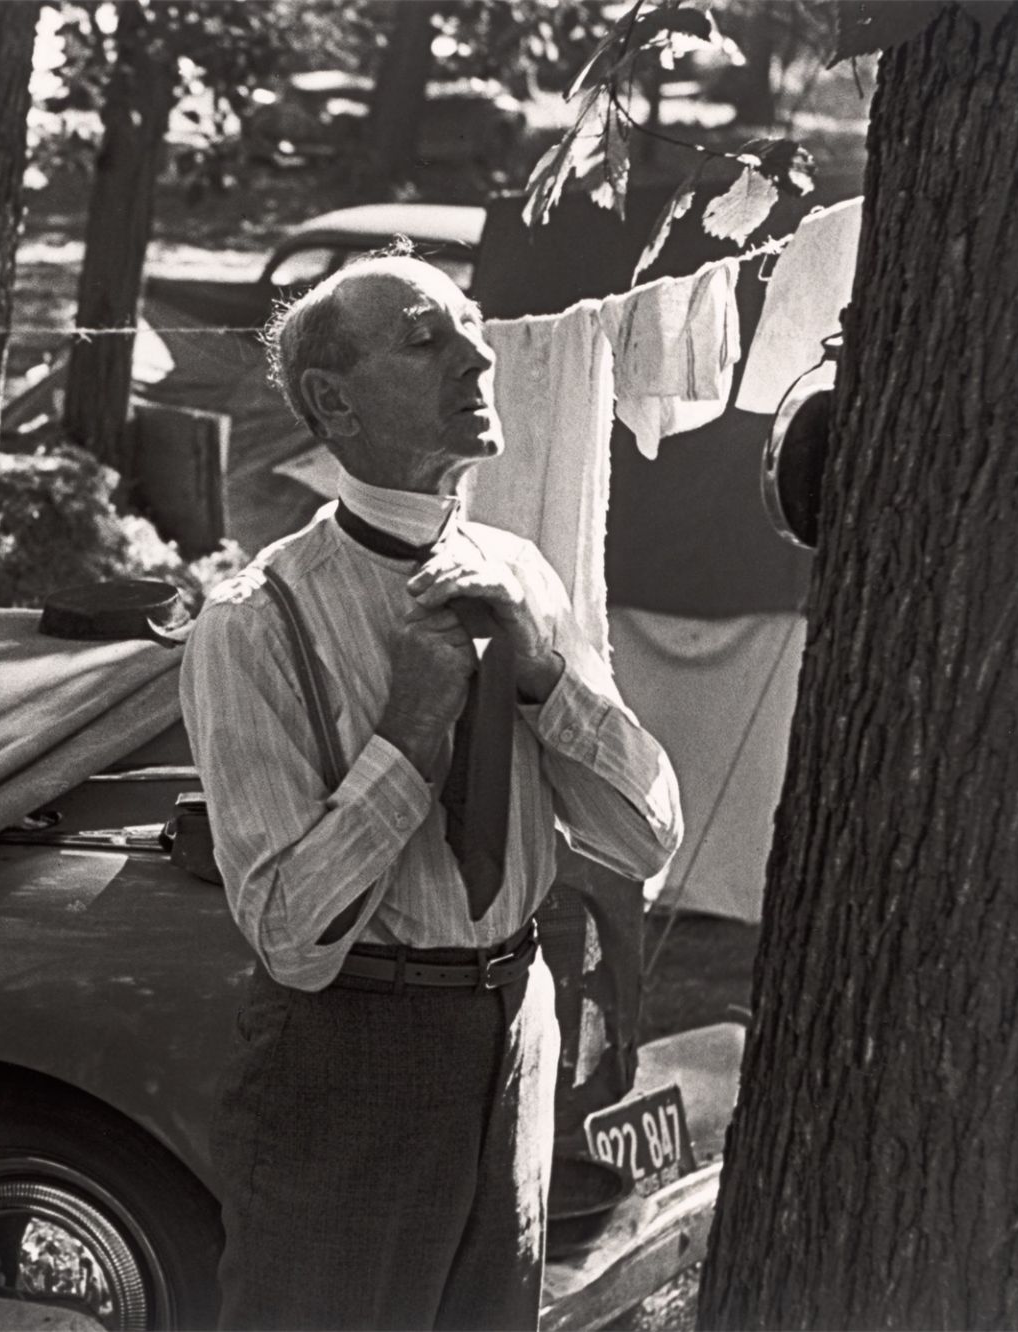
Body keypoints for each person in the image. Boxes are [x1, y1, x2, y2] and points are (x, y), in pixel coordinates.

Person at [179, 252, 683, 1331]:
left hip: (514, 1028)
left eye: (473, 326)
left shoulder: (523, 574)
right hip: (350, 1049)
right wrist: (408, 734)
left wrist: (546, 675)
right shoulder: (254, 622)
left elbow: (643, 838)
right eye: (428, 338)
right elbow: (287, 935)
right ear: (332, 400)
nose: (481, 354)